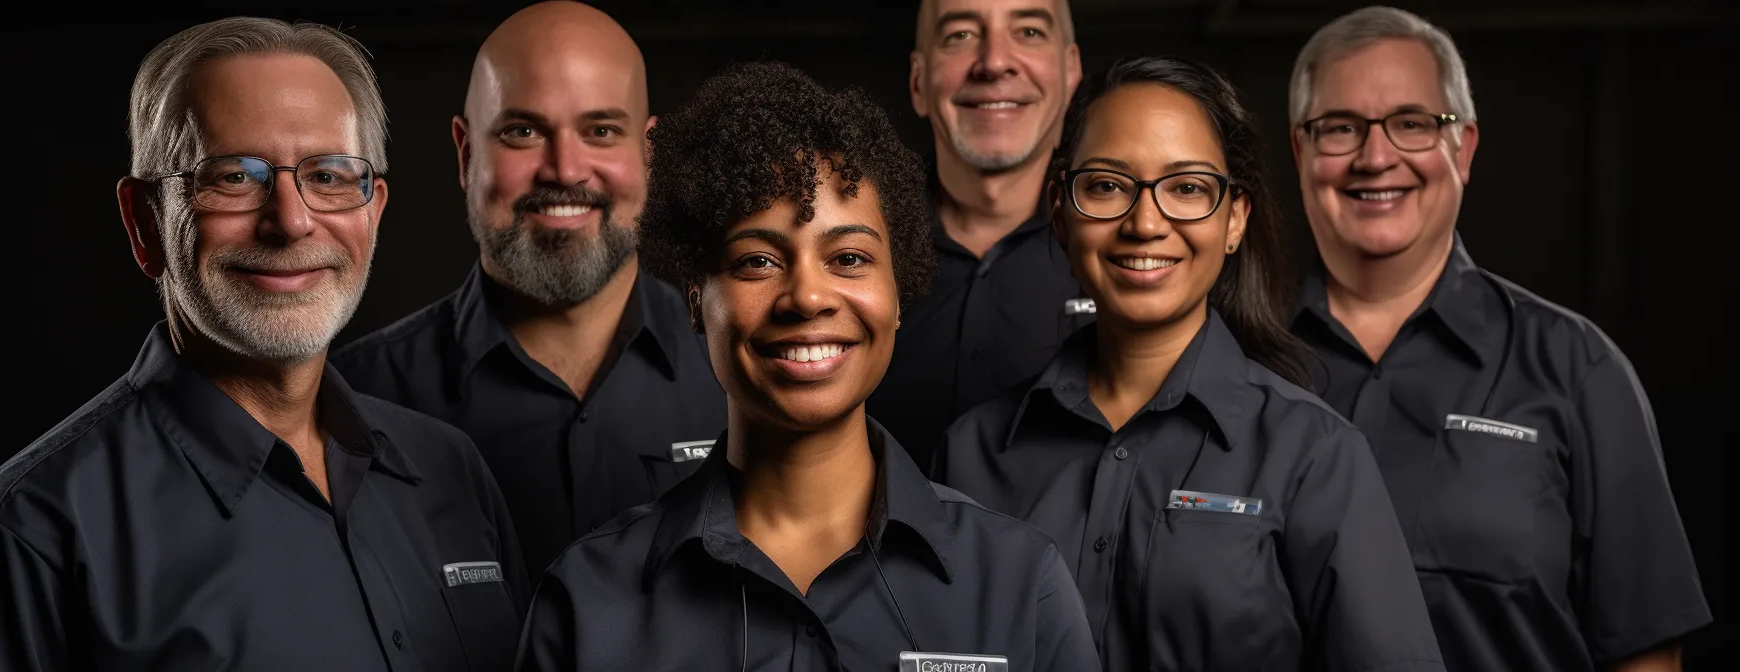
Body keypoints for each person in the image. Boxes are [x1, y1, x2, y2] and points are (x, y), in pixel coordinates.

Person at [0, 17, 526, 671]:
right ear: (144, 223)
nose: (292, 220)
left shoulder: (451, 472)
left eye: (330, 176)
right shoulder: (31, 532)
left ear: (374, 211)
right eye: (232, 177)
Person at [517, 61, 1099, 670]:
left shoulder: (1019, 583)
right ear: (696, 299)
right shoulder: (588, 600)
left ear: (898, 296)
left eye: (848, 257)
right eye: (757, 262)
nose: (807, 296)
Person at [933, 56, 1445, 671]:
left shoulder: (1315, 456)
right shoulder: (970, 454)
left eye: (1187, 189)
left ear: (1234, 220)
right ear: (1061, 213)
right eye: (1106, 186)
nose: (1145, 223)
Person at [1285, 7, 1710, 671]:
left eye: (1412, 123)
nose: (1375, 156)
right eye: (1339, 128)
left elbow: (1646, 652)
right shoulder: (1232, 360)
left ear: (1464, 149)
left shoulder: (1577, 371)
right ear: (1300, 151)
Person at [332, 1, 725, 579]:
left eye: (600, 131)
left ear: (648, 154)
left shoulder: (742, 373)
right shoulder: (352, 403)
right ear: (467, 154)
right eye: (523, 131)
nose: (565, 170)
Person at [868, 0, 1089, 466]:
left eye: (1028, 31)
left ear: (1071, 73)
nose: (993, 63)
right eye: (960, 35)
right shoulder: (848, 253)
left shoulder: (1127, 253)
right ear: (918, 82)